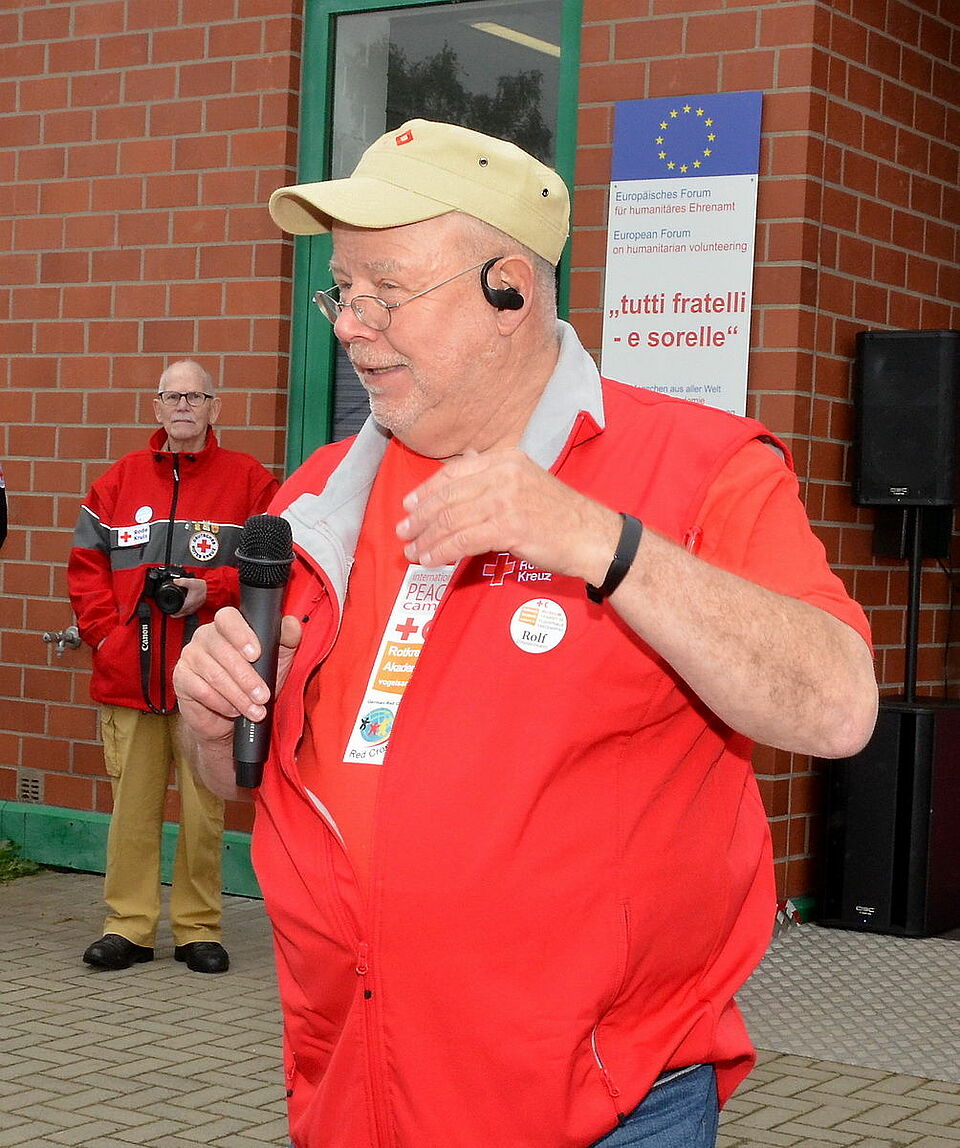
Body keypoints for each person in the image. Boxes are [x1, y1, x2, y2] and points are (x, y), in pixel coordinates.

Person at [173, 121, 878, 1145]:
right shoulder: (320, 496)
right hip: (357, 1087)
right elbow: (245, 778)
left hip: (601, 1108)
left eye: (387, 291)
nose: (352, 327)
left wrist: (598, 539)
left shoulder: (698, 467)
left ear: (509, 288)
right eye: (343, 291)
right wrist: (210, 723)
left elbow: (838, 706)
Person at [68, 359, 278, 974]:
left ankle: (197, 928)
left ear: (215, 408)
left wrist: (210, 590)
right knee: (131, 810)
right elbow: (85, 568)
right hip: (128, 680)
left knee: (203, 813)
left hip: (208, 682)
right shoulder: (118, 481)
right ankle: (127, 926)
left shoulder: (250, 483)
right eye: (172, 396)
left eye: (195, 396)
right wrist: (105, 638)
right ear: (157, 407)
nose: (184, 406)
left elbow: (274, 569)